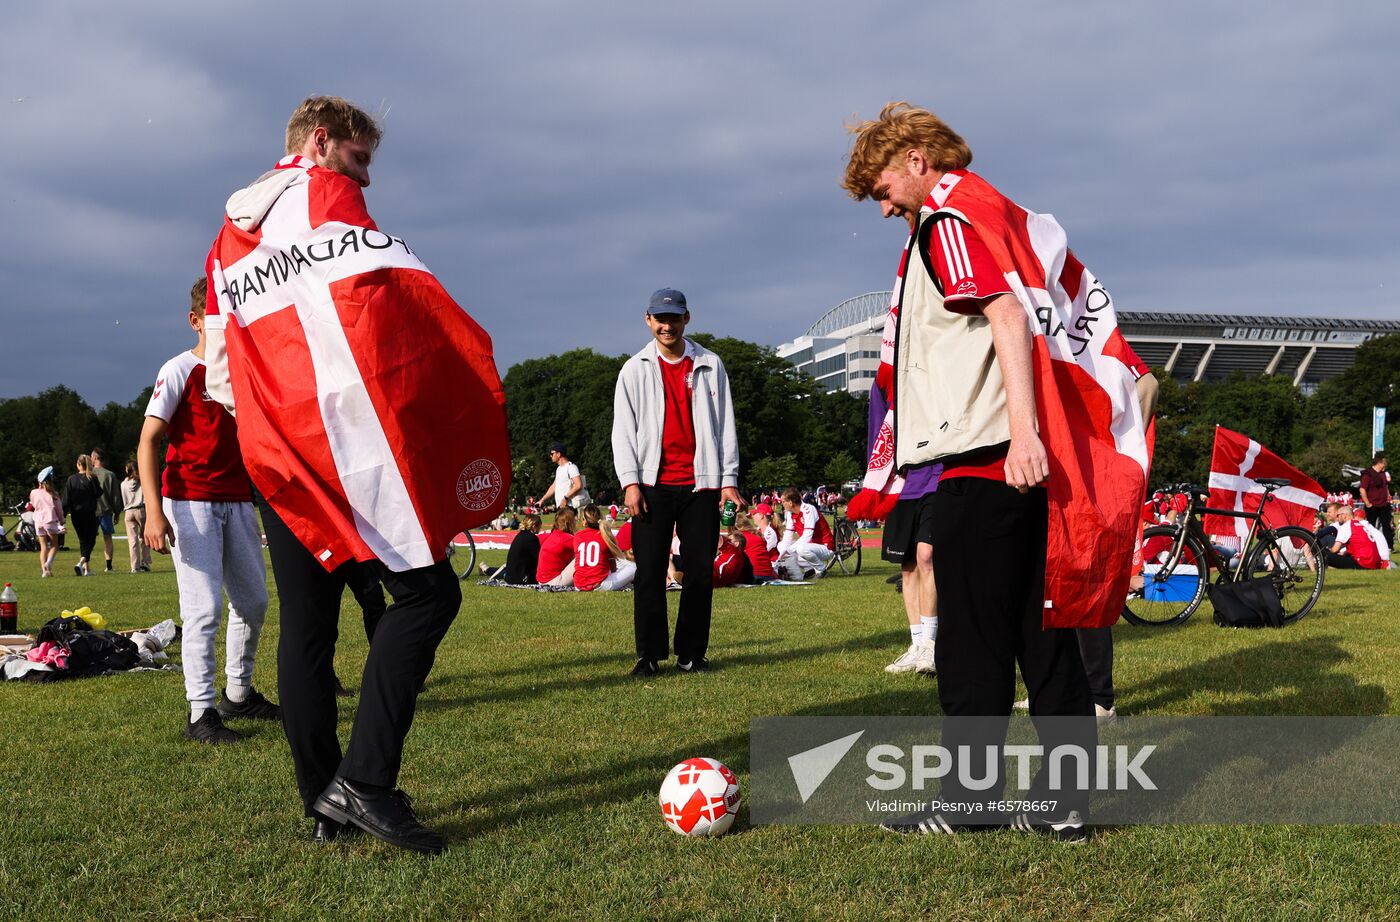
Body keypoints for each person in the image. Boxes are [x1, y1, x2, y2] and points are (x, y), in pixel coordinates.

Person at [201, 96, 510, 853]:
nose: (367, 179)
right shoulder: (327, 192)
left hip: (275, 452)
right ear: (321, 142)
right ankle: (366, 783)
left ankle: (322, 805)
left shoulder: (224, 243)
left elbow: (218, 371)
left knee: (307, 627)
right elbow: (376, 313)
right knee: (427, 594)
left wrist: (273, 427)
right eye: (361, 158)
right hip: (341, 437)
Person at [844, 102, 1153, 839]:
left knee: (972, 648)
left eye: (881, 187)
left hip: (986, 463)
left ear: (916, 159)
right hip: (1022, 472)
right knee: (1044, 644)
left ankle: (970, 803)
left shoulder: (948, 222)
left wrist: (1020, 435)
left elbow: (1007, 317)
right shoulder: (993, 213)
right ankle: (1064, 808)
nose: (884, 208)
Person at [139, 278, 277, 746]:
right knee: (203, 610)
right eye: (213, 320)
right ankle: (202, 713)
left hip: (238, 499)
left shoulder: (243, 371)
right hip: (190, 500)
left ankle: (238, 693)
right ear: (196, 321)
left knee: (254, 602)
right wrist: (154, 512)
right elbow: (148, 441)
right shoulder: (179, 369)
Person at [612, 287, 742, 676]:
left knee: (699, 572)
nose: (667, 325)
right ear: (648, 320)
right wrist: (630, 482)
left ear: (688, 319)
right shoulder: (634, 368)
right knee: (649, 571)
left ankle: (691, 654)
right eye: (660, 318)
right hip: (652, 484)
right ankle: (648, 656)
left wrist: (729, 479)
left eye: (674, 318)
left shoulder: (710, 363)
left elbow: (726, 426)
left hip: (701, 484)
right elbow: (623, 431)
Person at [573, 504, 637, 591]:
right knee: (633, 567)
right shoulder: (604, 536)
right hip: (600, 585)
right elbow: (612, 564)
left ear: (585, 522)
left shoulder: (577, 536)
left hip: (578, 585)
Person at [775, 487, 835, 580]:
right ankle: (808, 570)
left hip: (825, 546)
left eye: (783, 501)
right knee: (781, 545)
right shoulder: (790, 513)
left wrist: (790, 549)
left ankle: (821, 569)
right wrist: (781, 554)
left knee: (800, 548)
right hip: (810, 546)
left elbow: (807, 535)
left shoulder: (808, 509)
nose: (782, 504)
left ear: (791, 503)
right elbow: (788, 535)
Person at [61, 455, 101, 577]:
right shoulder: (92, 478)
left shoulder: (71, 479)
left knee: (83, 540)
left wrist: (62, 516)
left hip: (76, 514)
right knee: (91, 540)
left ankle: (87, 569)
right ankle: (81, 561)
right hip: (89, 513)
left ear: (78, 464)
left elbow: (66, 499)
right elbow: (98, 493)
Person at [481, 513, 543, 583]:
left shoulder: (521, 535)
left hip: (511, 573)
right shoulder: (532, 538)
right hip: (521, 577)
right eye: (539, 526)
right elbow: (539, 559)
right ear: (534, 526)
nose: (540, 528)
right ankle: (487, 570)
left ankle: (487, 570)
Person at [1325, 505, 1390, 570]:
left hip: (1362, 563)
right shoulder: (1360, 525)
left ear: (1344, 515)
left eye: (1338, 515)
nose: (1337, 518)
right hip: (1374, 563)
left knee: (1324, 554)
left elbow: (1335, 549)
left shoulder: (1346, 526)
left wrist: (1328, 551)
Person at [89, 448, 122, 572]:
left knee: (89, 538)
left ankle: (86, 563)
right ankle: (108, 565)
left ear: (96, 458)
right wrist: (117, 512)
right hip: (105, 511)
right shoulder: (109, 475)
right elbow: (115, 496)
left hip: (91, 511)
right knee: (107, 538)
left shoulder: (88, 474)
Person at [29, 467, 63, 578]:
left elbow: (33, 505)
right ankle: (48, 564)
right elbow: (59, 510)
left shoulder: (33, 492)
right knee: (54, 545)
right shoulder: (54, 494)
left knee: (43, 547)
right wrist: (62, 520)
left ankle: (44, 571)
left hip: (38, 522)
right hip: (50, 521)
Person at [121, 460, 152, 573]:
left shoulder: (123, 484)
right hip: (141, 510)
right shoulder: (142, 482)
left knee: (132, 540)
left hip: (128, 511)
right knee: (144, 537)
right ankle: (146, 561)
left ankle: (135, 566)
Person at [539, 442, 589, 510]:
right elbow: (553, 486)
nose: (550, 456)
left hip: (568, 506)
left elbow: (578, 485)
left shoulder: (571, 467)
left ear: (559, 454)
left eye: (552, 453)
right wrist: (542, 500)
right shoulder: (559, 469)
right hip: (561, 506)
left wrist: (565, 498)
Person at [1360, 454, 1394, 551]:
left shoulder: (1383, 474)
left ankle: (1389, 546)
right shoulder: (1368, 474)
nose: (1385, 466)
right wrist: (1367, 503)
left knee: (1387, 526)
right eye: (1384, 463)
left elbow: (1385, 487)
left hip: (1384, 505)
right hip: (1372, 505)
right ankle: (1371, 546)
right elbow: (1362, 489)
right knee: (1371, 526)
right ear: (1379, 463)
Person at [537, 507, 578, 586]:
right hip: (553, 581)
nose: (576, 519)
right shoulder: (565, 538)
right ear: (569, 522)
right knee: (583, 554)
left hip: (541, 580)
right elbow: (585, 545)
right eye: (574, 518)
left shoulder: (554, 534)